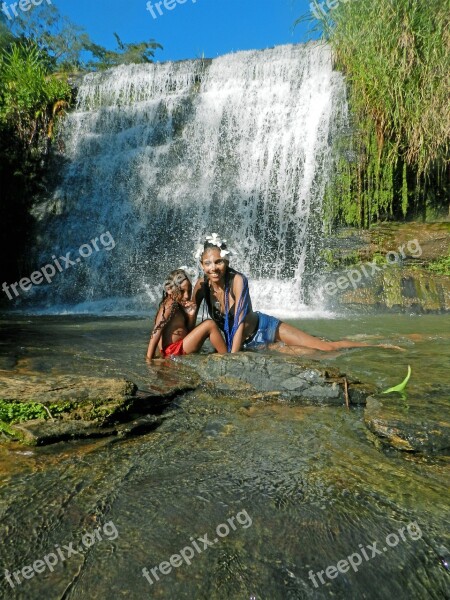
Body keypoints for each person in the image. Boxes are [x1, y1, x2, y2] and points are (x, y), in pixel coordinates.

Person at [191, 235, 399, 353]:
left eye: (218, 262)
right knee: (306, 353)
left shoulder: (238, 280)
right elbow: (190, 324)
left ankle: (378, 344)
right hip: (245, 344)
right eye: (208, 263)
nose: (213, 268)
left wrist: (232, 359)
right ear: (201, 264)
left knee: (326, 349)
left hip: (265, 329)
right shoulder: (201, 286)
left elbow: (238, 322)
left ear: (226, 262)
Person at [146, 269, 227, 360]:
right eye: (181, 291)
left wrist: (191, 315)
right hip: (172, 351)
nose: (187, 296)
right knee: (210, 324)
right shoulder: (169, 305)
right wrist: (149, 359)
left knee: (209, 325)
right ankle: (227, 358)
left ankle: (222, 354)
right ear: (169, 290)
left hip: (178, 348)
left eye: (189, 291)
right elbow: (156, 331)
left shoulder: (178, 304)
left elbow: (189, 331)